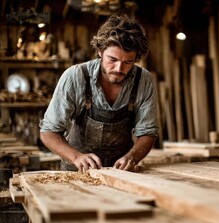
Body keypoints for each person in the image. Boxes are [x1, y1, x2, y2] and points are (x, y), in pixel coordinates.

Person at [39, 14, 159, 172]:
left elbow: (148, 133)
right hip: (77, 171)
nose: (119, 69)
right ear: (100, 51)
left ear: (136, 58)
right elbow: (48, 132)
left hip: (121, 173)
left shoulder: (144, 81)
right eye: (112, 59)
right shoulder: (76, 77)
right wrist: (76, 157)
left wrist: (132, 157)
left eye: (127, 62)